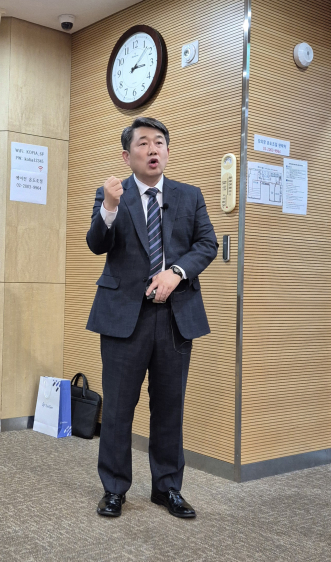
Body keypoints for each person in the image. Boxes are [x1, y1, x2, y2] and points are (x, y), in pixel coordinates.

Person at [86, 116, 218, 519]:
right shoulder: (112, 194)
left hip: (175, 317)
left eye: (159, 142)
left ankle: (167, 488)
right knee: (118, 407)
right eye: (142, 143)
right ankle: (114, 489)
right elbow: (97, 244)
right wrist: (109, 207)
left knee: (169, 406)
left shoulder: (189, 195)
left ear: (168, 151)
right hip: (123, 316)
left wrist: (176, 272)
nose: (152, 149)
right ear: (127, 156)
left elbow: (207, 243)